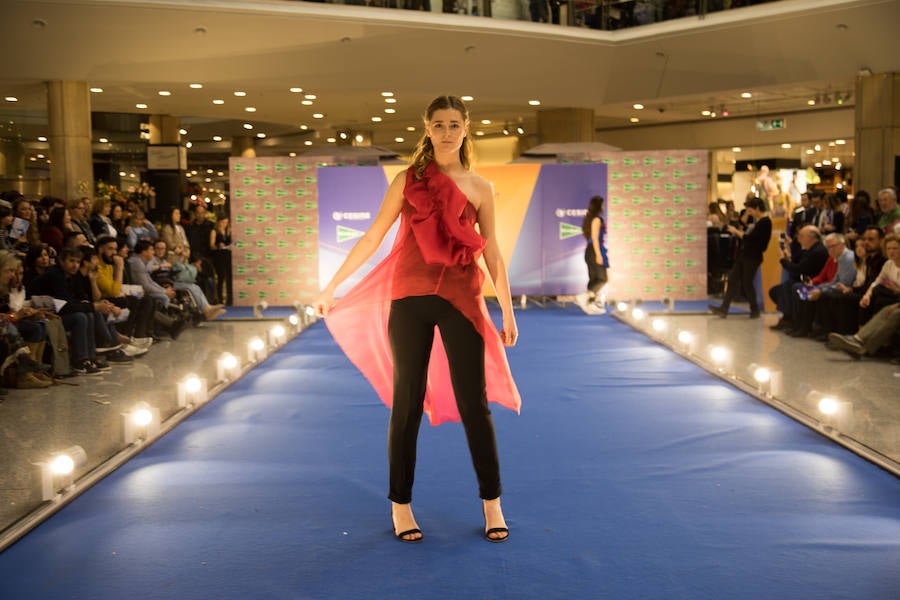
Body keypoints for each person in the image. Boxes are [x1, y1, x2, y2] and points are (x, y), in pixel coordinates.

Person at [314, 96, 521, 544]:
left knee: (475, 405)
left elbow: (493, 253)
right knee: (406, 403)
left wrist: (505, 307)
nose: (447, 132)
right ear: (427, 129)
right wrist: (334, 285)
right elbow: (373, 236)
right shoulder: (409, 180)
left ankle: (492, 502)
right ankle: (400, 505)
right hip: (408, 298)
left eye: (454, 124)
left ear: (466, 129)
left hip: (462, 300)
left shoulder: (481, 187)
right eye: (439, 125)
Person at [708, 197, 771, 318]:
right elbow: (745, 229)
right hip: (744, 255)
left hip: (752, 257)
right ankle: (724, 308)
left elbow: (751, 239)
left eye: (751, 210)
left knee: (747, 283)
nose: (749, 213)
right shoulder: (757, 222)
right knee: (733, 280)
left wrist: (737, 232)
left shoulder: (765, 223)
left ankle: (754, 310)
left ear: (757, 208)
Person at [574, 195, 609, 315]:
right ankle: (584, 297)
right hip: (594, 250)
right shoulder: (596, 219)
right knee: (602, 279)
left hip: (592, 250)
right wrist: (598, 255)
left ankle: (590, 304)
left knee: (594, 279)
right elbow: (594, 238)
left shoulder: (591, 219)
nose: (604, 206)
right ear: (599, 205)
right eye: (602, 204)